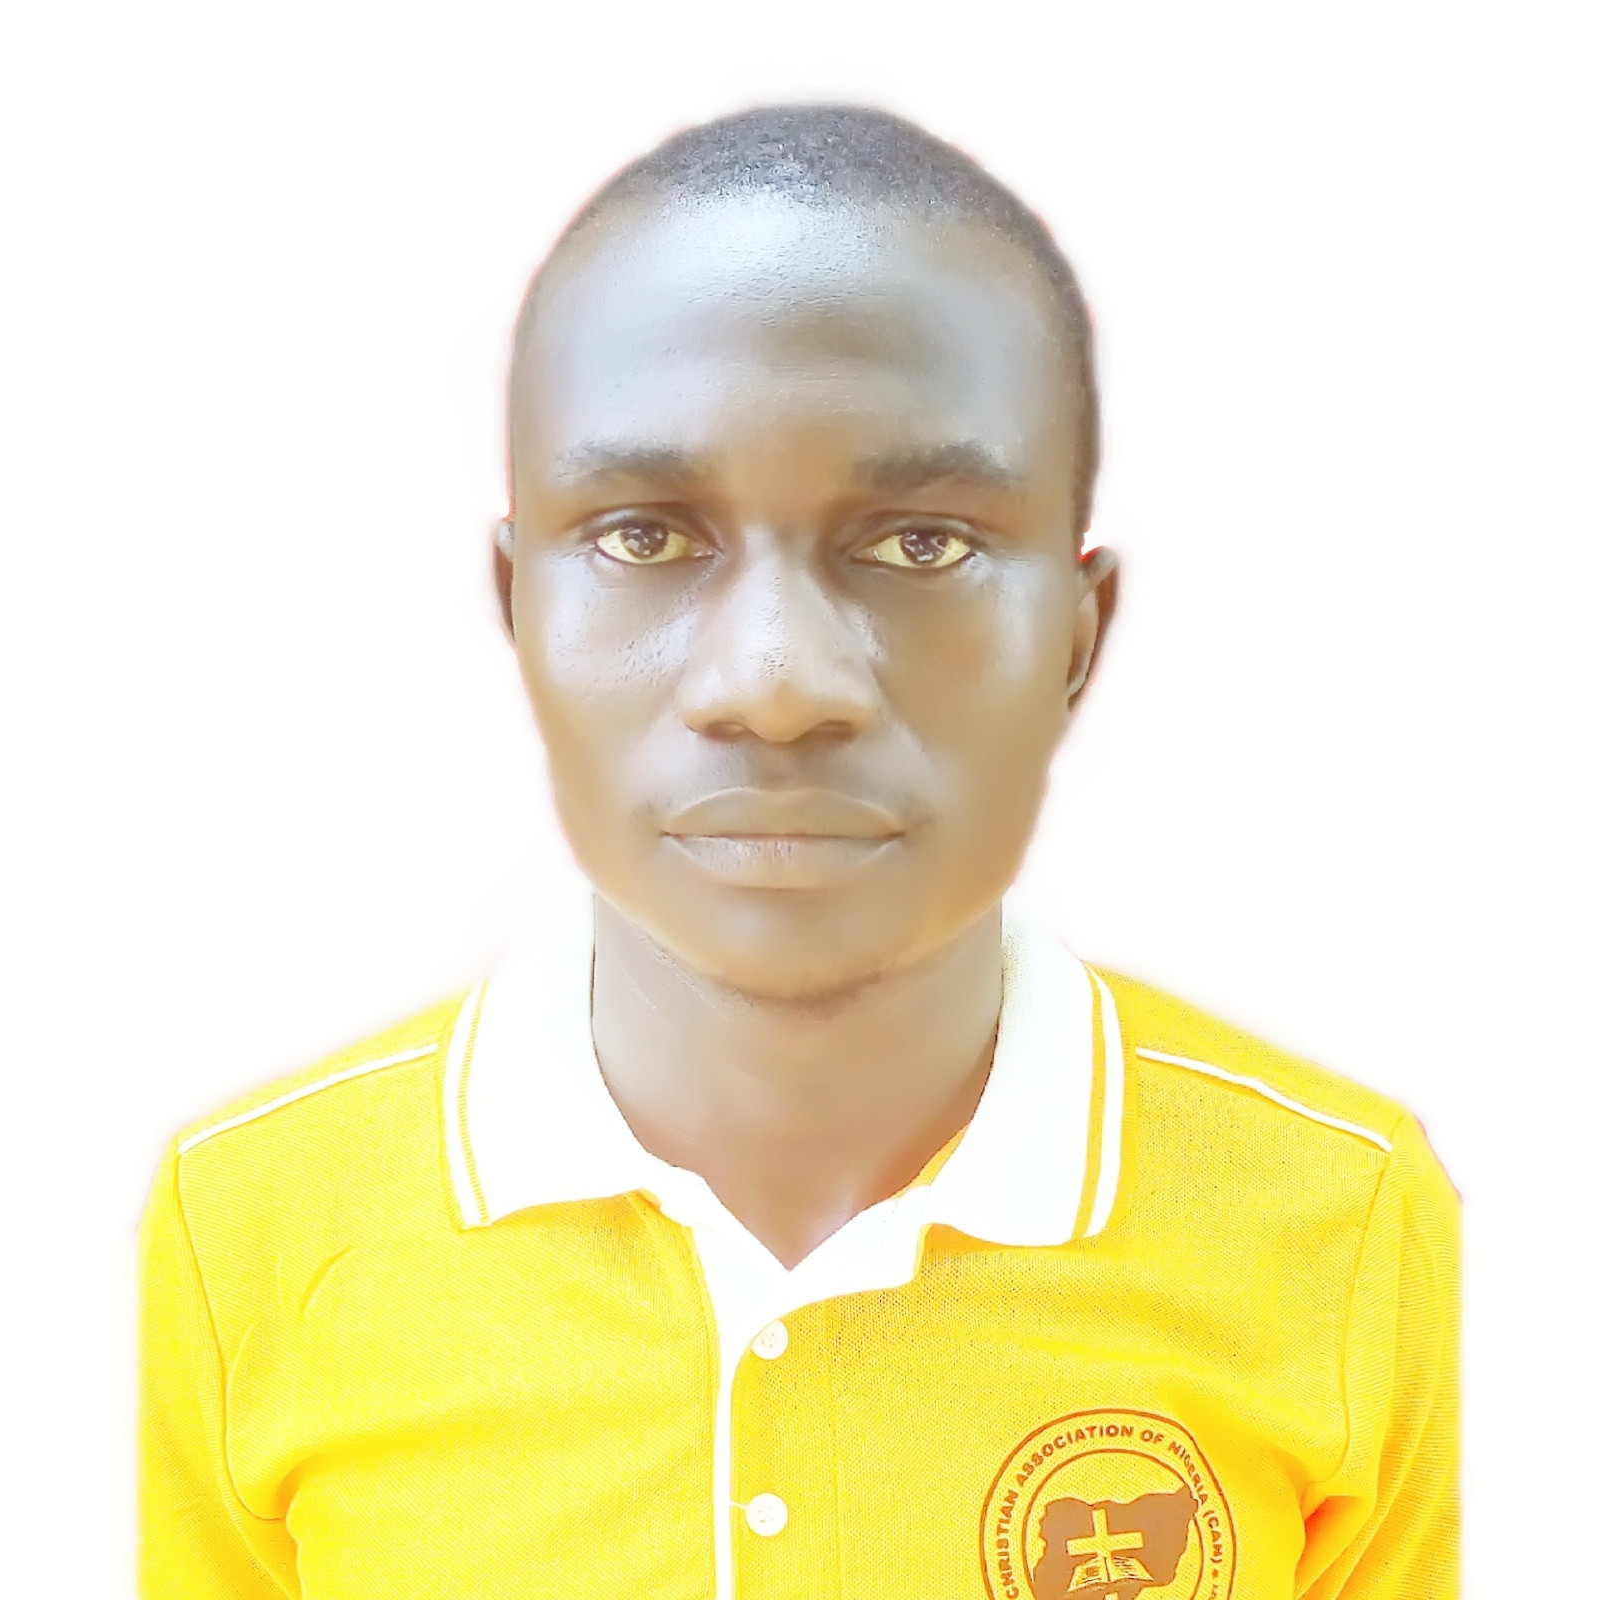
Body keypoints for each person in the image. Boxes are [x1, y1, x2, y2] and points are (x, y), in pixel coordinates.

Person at [139, 105, 1458, 1600]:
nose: (774, 683)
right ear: (519, 612)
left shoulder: (1349, 1228)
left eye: (921, 543)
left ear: (1078, 638)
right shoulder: (244, 1235)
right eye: (645, 537)